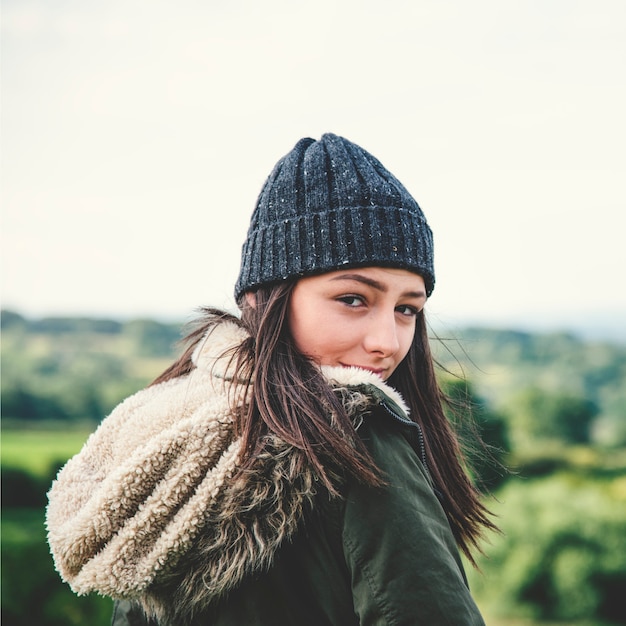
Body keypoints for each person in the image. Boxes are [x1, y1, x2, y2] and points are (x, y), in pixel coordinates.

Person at [46, 133, 496, 625]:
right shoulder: (359, 433)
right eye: (353, 299)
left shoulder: (167, 433)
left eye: (407, 308)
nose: (386, 340)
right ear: (268, 297)